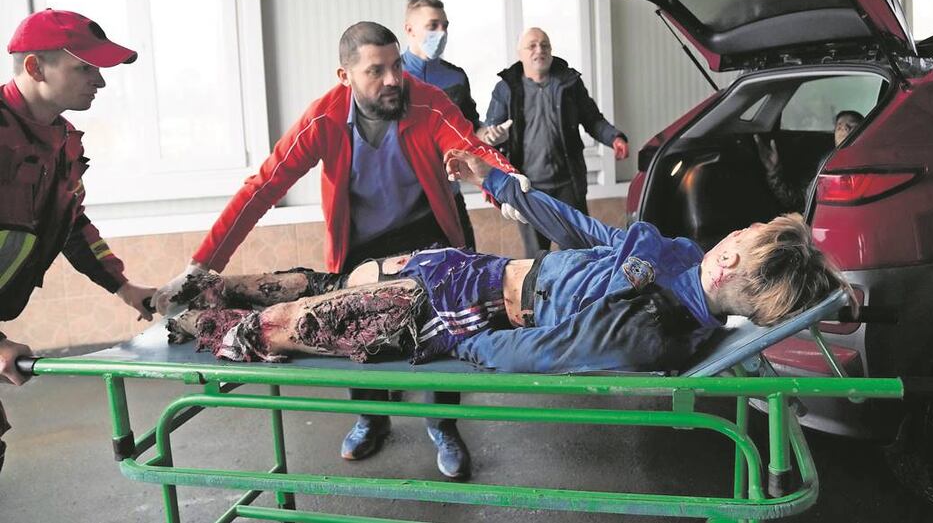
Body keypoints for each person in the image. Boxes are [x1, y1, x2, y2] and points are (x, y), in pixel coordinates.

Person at [152, 21, 522, 480]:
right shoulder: (324, 118)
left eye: (395, 67)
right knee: (350, 333)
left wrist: (507, 185)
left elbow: (470, 148)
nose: (392, 80)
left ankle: (443, 424)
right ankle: (371, 417)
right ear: (344, 76)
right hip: (361, 246)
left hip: (427, 239)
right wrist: (200, 268)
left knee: (442, 336)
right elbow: (263, 187)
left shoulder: (428, 101)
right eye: (376, 71)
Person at [162, 149, 850, 379]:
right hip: (465, 269)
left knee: (282, 323)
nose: (743, 221)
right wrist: (499, 189)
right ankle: (204, 290)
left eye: (752, 226)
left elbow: (542, 351)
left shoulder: (655, 327)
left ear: (730, 259)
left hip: (456, 311)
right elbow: (584, 231)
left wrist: (460, 343)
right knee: (324, 282)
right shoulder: (672, 259)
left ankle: (200, 322)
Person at [0, 9, 157, 472]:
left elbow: (71, 223)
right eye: (85, 68)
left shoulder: (63, 141)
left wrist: (124, 287)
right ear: (35, 67)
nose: (100, 83)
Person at [487, 28, 629, 257]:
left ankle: (579, 293)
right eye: (532, 45)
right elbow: (490, 132)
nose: (539, 50)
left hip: (568, 186)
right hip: (527, 188)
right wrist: (492, 138)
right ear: (520, 54)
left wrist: (614, 137)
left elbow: (593, 120)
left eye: (545, 45)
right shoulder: (506, 88)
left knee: (579, 254)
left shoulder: (569, 83)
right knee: (537, 258)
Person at [400, 0, 512, 249]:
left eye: (445, 25)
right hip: (405, 202)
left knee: (466, 266)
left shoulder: (456, 77)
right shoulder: (393, 78)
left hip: (450, 193)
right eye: (433, 25)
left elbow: (471, 131)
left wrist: (491, 136)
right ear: (409, 29)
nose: (441, 32)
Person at [754, 110, 865, 212]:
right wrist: (774, 171)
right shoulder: (824, 165)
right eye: (839, 127)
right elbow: (796, 200)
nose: (845, 129)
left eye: (852, 125)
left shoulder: (872, 164)